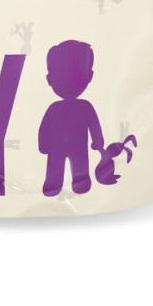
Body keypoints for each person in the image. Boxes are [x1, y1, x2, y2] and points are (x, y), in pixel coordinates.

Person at [38, 40, 104, 196]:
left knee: (73, 165)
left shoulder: (59, 108)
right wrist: (98, 142)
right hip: (71, 146)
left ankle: (73, 182)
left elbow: (94, 125)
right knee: (63, 165)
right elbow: (45, 128)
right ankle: (57, 182)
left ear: (49, 79)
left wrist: (43, 145)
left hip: (63, 147)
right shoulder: (76, 107)